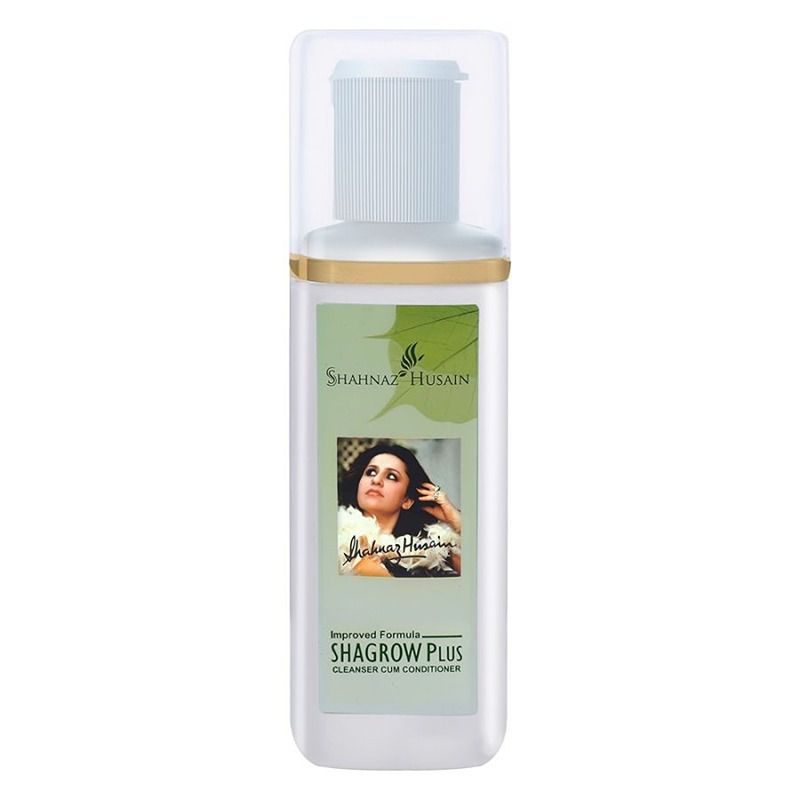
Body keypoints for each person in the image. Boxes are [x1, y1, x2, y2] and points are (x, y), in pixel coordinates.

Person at [338, 443, 462, 577]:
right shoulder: (333, 535)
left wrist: (455, 519)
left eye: (391, 476)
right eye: (371, 472)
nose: (376, 480)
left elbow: (475, 575)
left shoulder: (433, 551)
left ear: (407, 500)